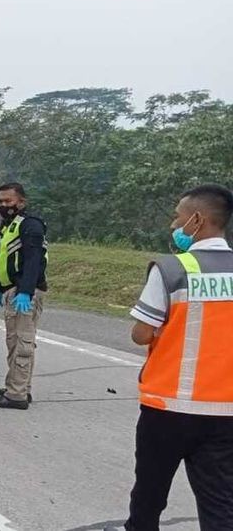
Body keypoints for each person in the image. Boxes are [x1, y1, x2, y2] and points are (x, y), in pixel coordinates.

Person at [112, 184, 233, 531]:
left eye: (178, 217)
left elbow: (141, 334)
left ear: (197, 219)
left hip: (168, 406)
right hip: (226, 409)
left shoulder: (172, 269)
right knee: (220, 503)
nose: (174, 225)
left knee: (149, 496)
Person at [0, 182, 47, 410]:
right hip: (13, 289)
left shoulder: (30, 226)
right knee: (15, 341)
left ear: (21, 202)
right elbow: (8, 261)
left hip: (24, 293)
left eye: (8, 201)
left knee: (21, 342)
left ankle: (17, 394)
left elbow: (33, 261)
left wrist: (25, 292)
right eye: (0, 201)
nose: (3, 205)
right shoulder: (9, 225)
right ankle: (18, 386)